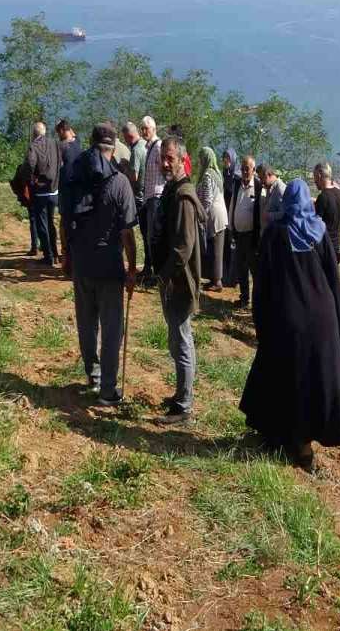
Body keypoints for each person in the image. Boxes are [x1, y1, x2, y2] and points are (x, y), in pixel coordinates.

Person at [241, 179, 340, 470]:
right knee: (310, 381)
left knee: (281, 375)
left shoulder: (275, 234)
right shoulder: (320, 231)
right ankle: (302, 448)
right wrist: (339, 323)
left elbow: (262, 283)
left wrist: (260, 319)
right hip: (321, 318)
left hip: (287, 317)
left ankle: (281, 437)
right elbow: (333, 279)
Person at [66, 124, 139, 404]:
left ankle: (93, 376)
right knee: (111, 329)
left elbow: (65, 220)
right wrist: (132, 268)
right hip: (109, 267)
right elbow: (127, 233)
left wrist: (67, 255)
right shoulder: (119, 182)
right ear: (113, 148)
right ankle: (108, 390)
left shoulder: (75, 175)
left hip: (82, 263)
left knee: (86, 323)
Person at [150, 136, 203, 425]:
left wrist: (163, 275)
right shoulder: (172, 189)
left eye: (170, 158)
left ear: (183, 159)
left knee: (181, 341)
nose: (165, 163)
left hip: (179, 282)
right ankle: (181, 395)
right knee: (176, 339)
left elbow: (183, 247)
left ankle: (183, 406)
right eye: (162, 157)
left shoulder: (183, 196)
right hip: (171, 280)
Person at [228, 155, 263, 308]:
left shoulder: (259, 186)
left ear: (253, 170)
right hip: (239, 234)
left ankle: (257, 301)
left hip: (252, 236)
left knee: (254, 270)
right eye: (242, 168)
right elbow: (232, 206)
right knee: (241, 268)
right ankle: (244, 298)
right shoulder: (237, 185)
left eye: (247, 169)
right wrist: (231, 228)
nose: (244, 171)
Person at [25, 121, 61, 266]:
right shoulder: (55, 143)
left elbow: (30, 165)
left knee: (42, 224)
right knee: (51, 222)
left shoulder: (33, 146)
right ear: (45, 131)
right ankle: (55, 253)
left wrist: (31, 181)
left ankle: (48, 256)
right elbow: (60, 163)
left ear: (34, 133)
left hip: (40, 191)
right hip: (54, 190)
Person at [196, 147, 229, 292]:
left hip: (214, 214)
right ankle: (213, 279)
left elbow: (207, 199)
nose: (199, 160)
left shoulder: (208, 175)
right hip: (218, 213)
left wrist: (202, 215)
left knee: (216, 248)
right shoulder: (216, 173)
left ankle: (217, 282)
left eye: (201, 157)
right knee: (213, 247)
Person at [139, 116, 164, 279]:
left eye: (146, 128)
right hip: (149, 197)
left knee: (154, 236)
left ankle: (157, 272)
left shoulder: (158, 146)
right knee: (148, 235)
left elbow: (166, 169)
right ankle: (150, 269)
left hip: (156, 196)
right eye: (142, 129)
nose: (143, 132)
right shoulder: (149, 147)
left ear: (154, 129)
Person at [56, 120, 83, 264]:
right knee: (76, 224)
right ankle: (76, 254)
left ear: (61, 131)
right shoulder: (78, 143)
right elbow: (74, 134)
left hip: (66, 191)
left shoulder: (61, 147)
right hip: (79, 191)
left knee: (65, 224)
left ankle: (66, 255)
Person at [313, 162, 340, 265]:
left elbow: (315, 226)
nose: (314, 181)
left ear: (319, 175)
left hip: (324, 249)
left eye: (315, 177)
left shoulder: (322, 197)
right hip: (336, 247)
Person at [221, 148, 240, 285]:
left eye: (228, 158)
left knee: (234, 247)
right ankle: (226, 275)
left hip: (234, 213)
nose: (225, 160)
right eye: (224, 157)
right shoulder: (226, 174)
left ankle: (234, 278)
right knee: (227, 246)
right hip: (226, 213)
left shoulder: (237, 176)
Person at [258, 163, 286, 228]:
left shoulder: (280, 189)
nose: (261, 182)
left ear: (268, 174)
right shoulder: (269, 187)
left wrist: (268, 215)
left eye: (261, 178)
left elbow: (284, 214)